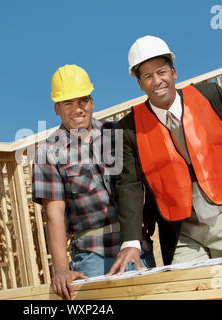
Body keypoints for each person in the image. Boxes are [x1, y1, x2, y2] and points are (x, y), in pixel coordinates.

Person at [108, 35, 222, 274]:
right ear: (140, 84)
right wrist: (131, 241)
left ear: (174, 72)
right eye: (147, 76)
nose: (157, 81)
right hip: (181, 232)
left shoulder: (209, 96)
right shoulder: (128, 128)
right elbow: (128, 183)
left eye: (162, 72)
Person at [32, 64, 155, 299]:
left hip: (136, 247)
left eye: (83, 100)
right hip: (92, 256)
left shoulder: (116, 133)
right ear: (57, 108)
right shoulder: (48, 152)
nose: (78, 109)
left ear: (92, 102)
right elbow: (54, 214)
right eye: (68, 103)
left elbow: (142, 180)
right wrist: (61, 270)